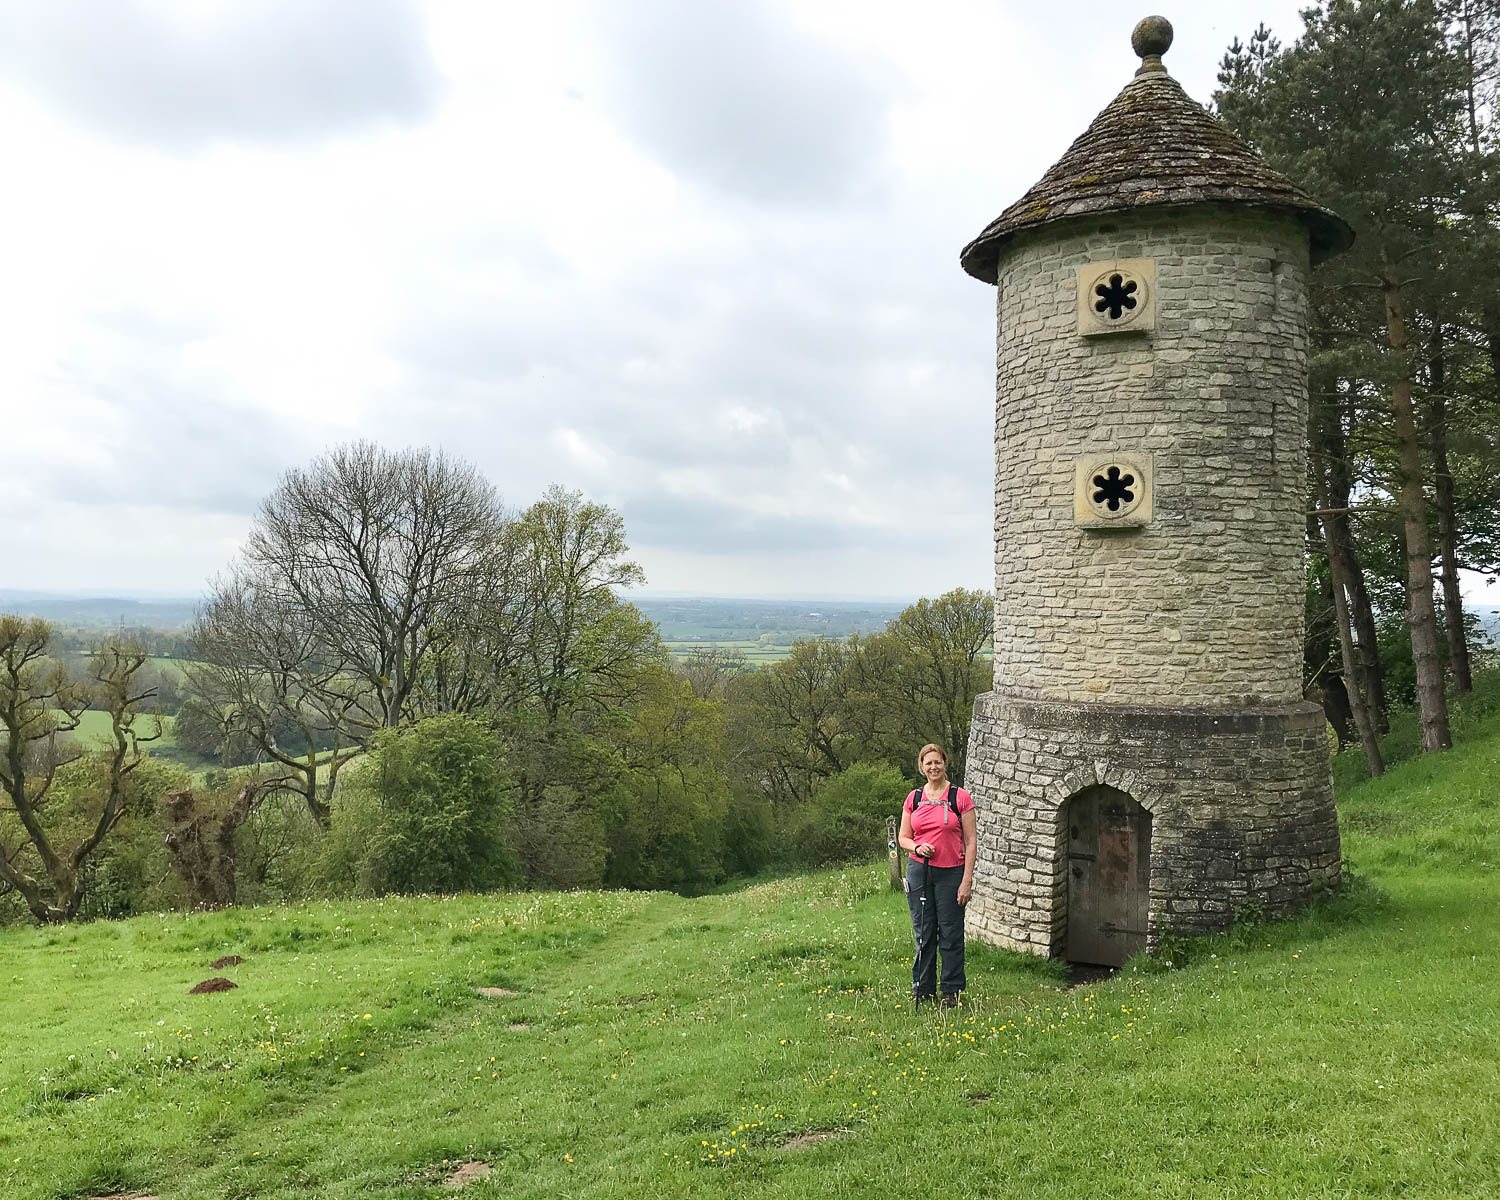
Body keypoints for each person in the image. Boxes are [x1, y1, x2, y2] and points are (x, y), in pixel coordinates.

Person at [897, 743, 976, 1008]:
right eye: (928, 763)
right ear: (921, 767)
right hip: (920, 871)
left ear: (945, 764)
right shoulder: (914, 798)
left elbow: (971, 841)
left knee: (950, 933)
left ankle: (951, 991)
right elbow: (903, 838)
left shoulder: (960, 797)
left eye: (937, 762)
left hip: (951, 873)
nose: (933, 767)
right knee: (924, 932)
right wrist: (918, 847)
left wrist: (966, 881)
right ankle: (922, 988)